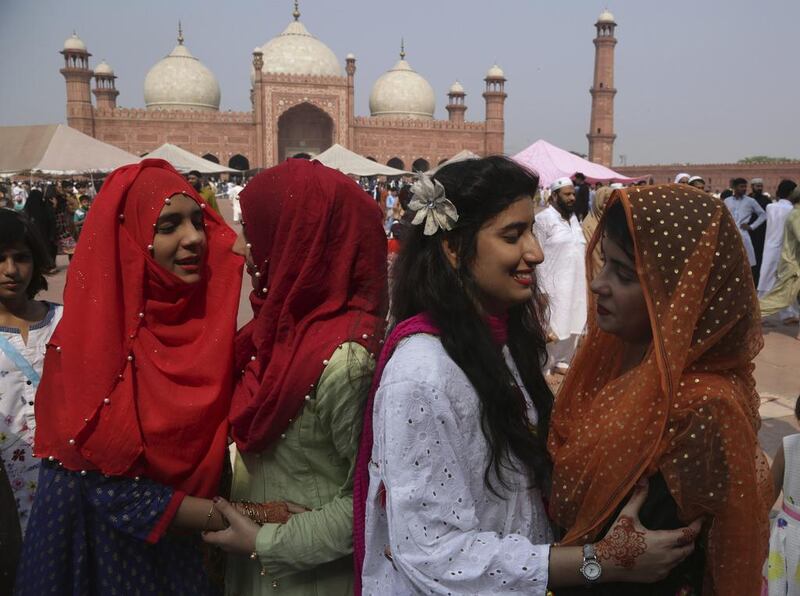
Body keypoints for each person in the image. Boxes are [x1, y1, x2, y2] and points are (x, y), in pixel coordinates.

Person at [355, 158, 699, 595]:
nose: (535, 252)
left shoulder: (501, 341)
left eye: (532, 231)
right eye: (513, 235)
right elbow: (436, 554)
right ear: (454, 247)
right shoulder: (423, 375)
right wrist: (601, 564)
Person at [15, 159, 244, 595]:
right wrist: (248, 517)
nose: (194, 237)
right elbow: (110, 490)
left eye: (198, 220)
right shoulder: (91, 346)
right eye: (168, 226)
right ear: (129, 238)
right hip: (102, 555)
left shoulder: (202, 331)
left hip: (181, 551)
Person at [549, 185, 773, 594]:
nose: (598, 284)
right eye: (604, 265)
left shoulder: (700, 407)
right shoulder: (622, 366)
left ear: (680, 295)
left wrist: (596, 567)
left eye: (624, 275)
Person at [201, 159, 387, 596]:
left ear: (298, 240)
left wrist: (266, 540)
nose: (238, 247)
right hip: (258, 567)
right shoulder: (271, 338)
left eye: (252, 229)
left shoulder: (344, 363)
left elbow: (374, 498)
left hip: (312, 576)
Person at [0, 210, 60, 590]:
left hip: (69, 486)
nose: (10, 270)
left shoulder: (66, 321)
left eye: (20, 257)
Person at [535, 176, 587, 375]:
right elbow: (537, 252)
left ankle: (564, 360)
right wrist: (539, 287)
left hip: (576, 282)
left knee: (574, 318)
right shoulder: (543, 219)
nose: (572, 198)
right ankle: (546, 364)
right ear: (554, 196)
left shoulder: (573, 219)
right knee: (553, 323)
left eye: (573, 193)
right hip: (553, 283)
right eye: (567, 194)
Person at [763, 396, 800, 594]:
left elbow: (767, 497)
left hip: (787, 535)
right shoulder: (789, 447)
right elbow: (767, 496)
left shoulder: (789, 446)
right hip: (787, 541)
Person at [760, 186, 800, 338]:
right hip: (793, 266)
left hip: (794, 263)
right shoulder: (796, 215)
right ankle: (746, 315)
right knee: (781, 298)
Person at [724, 177, 766, 281]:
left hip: (744, 234)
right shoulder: (727, 201)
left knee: (746, 261)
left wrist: (751, 226)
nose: (744, 189)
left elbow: (763, 215)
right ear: (734, 187)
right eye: (741, 186)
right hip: (730, 234)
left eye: (745, 187)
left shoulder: (750, 201)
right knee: (730, 261)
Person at [582, 186, 614, 277]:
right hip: (596, 271)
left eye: (611, 201)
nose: (609, 205)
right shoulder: (588, 225)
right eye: (605, 202)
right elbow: (588, 254)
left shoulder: (613, 221)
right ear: (597, 203)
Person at [22, 189, 57, 262]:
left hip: (32, 236)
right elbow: (52, 220)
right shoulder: (44, 208)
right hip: (46, 235)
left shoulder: (26, 210)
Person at [750, 177, 772, 282]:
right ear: (752, 187)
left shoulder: (766, 200)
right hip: (749, 233)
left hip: (761, 234)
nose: (759, 188)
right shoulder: (748, 199)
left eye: (761, 186)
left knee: (759, 257)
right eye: (757, 186)